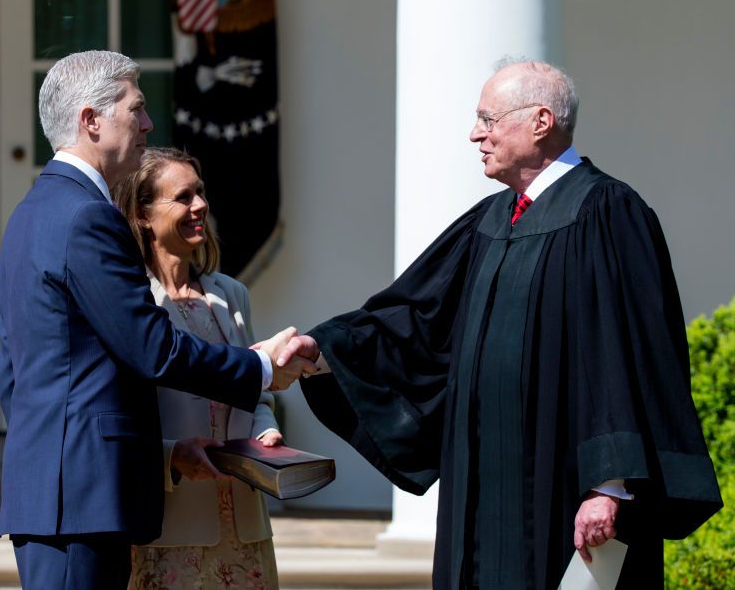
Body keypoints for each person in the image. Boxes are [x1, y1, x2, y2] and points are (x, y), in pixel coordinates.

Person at [282, 60, 722, 589]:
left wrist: (610, 486)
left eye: (488, 119)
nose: (476, 134)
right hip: (479, 484)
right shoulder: (489, 221)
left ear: (540, 121)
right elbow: (416, 318)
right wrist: (324, 348)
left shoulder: (608, 213)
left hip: (561, 488)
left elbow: (627, 354)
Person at [0, 50, 318, 589]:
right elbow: (153, 348)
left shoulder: (34, 210)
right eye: (135, 109)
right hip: (81, 497)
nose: (147, 123)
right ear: (90, 120)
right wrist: (258, 366)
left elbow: (14, 375)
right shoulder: (86, 216)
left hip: (61, 490)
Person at [115, 147, 282, 590]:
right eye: (184, 197)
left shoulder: (232, 294)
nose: (200, 206)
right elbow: (122, 412)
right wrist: (171, 456)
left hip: (245, 527)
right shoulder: (132, 303)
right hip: (171, 527)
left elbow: (258, 393)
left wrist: (266, 431)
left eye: (201, 193)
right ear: (144, 215)